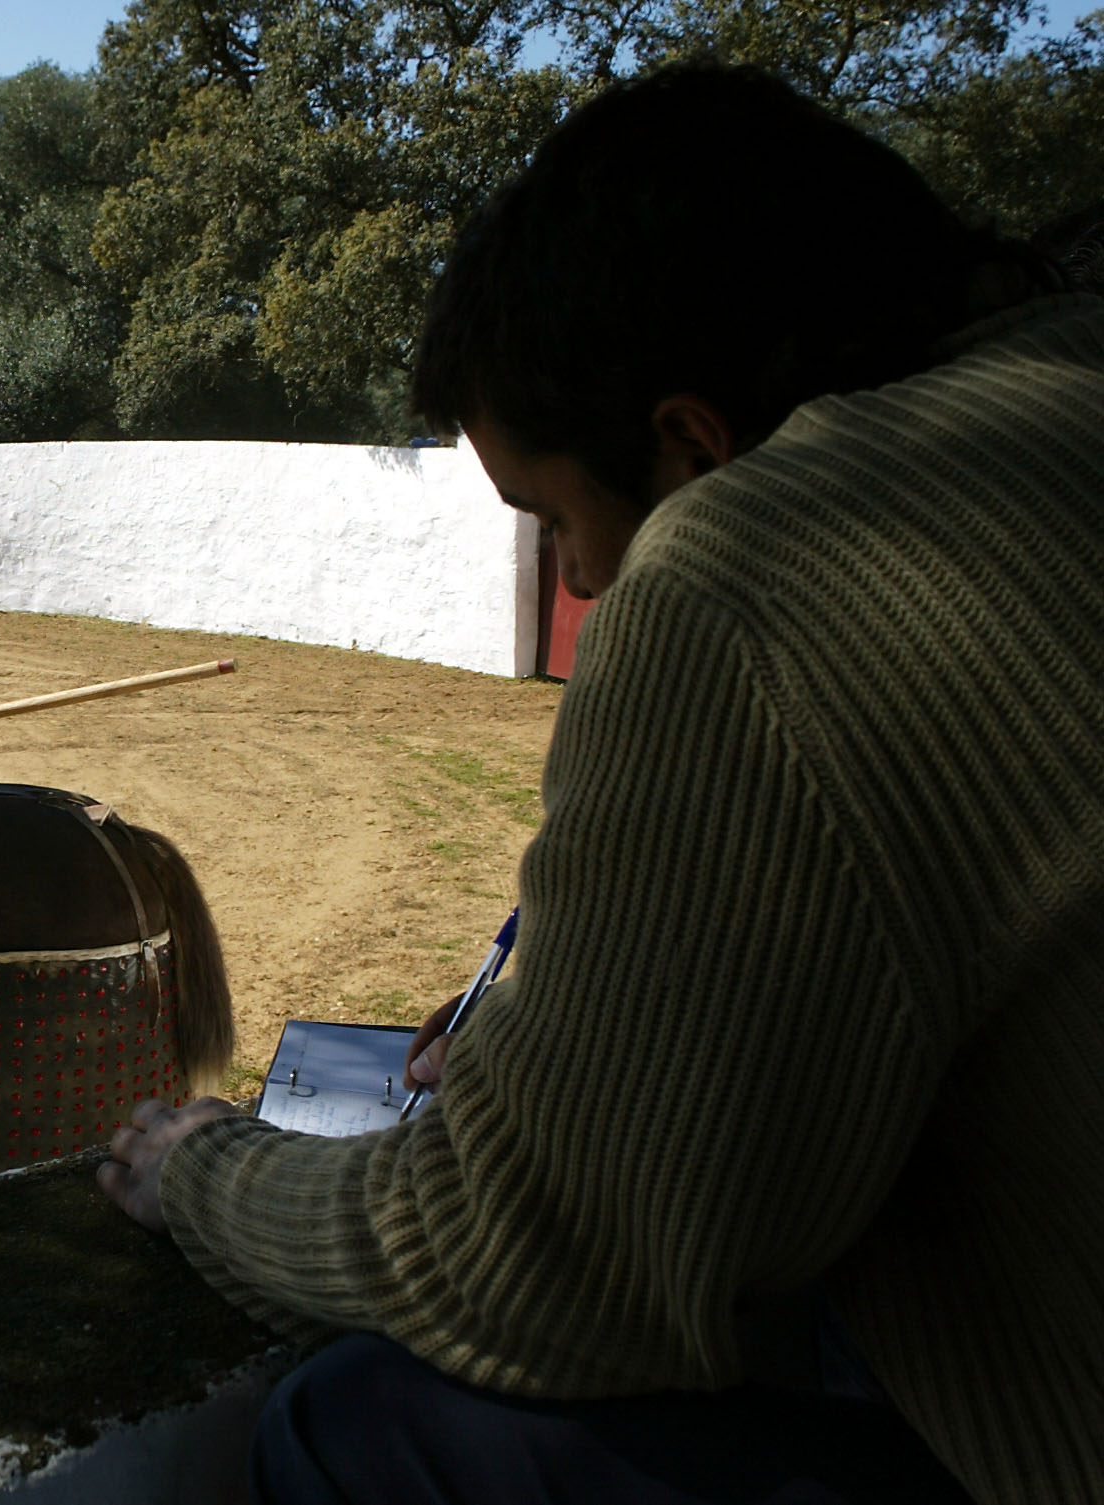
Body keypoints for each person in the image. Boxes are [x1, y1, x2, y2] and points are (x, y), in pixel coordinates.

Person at [100, 66, 1103, 1504]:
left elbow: (539, 1258)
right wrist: (583, 1022)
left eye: (556, 518)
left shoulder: (763, 565)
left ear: (692, 444)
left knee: (349, 1427)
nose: (575, 578)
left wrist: (207, 1171)